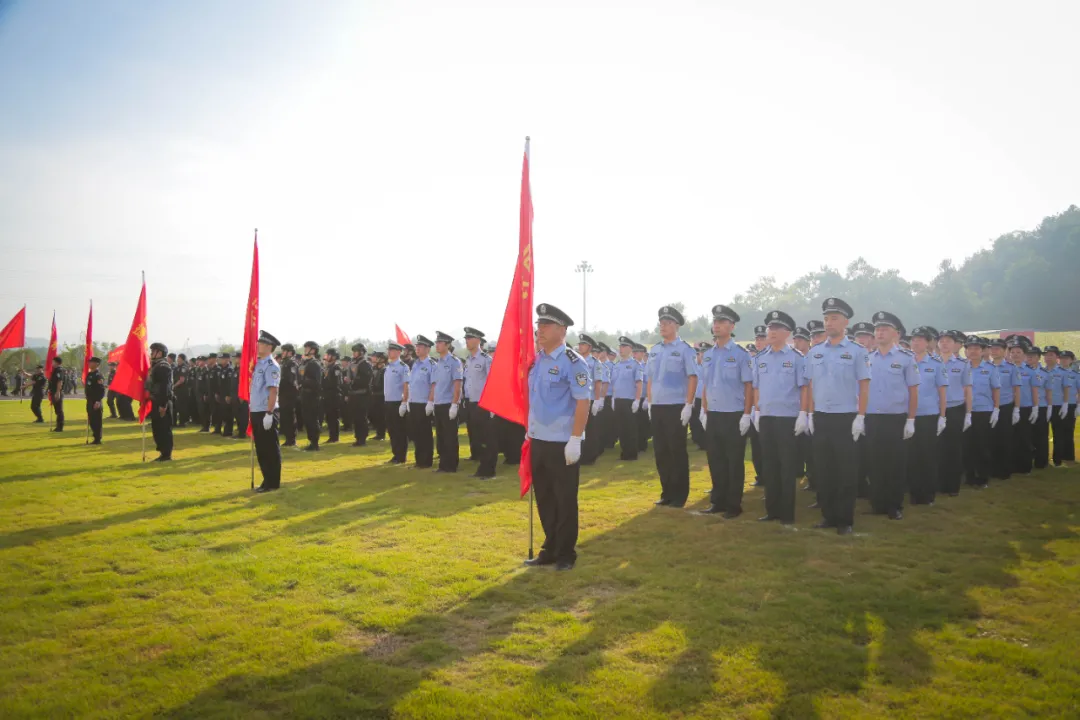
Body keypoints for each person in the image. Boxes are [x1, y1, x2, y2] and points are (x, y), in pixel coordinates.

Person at [523, 303, 591, 572]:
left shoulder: (573, 362)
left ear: (562, 330)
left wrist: (576, 439)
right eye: (539, 325)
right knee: (545, 498)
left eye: (546, 325)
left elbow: (583, 402)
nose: (539, 330)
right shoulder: (537, 360)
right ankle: (549, 548)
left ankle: (565, 553)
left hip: (562, 442)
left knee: (564, 499)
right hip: (538, 439)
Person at [804, 298, 869, 535]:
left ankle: (845, 519)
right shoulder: (815, 352)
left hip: (846, 418)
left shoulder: (857, 352)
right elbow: (810, 385)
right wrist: (809, 413)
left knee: (846, 471)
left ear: (845, 322)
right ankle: (828, 516)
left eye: (833, 318)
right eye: (826, 318)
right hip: (821, 416)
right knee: (824, 469)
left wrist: (861, 416)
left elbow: (864, 386)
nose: (828, 322)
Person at [751, 310, 809, 525]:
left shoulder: (796, 358)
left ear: (787, 333)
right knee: (769, 465)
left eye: (777, 329)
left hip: (787, 418)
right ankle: (772, 509)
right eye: (770, 328)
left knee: (787, 466)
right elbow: (756, 387)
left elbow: (804, 388)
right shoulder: (760, 358)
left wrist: (803, 413)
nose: (771, 332)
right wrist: (757, 411)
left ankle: (786, 512)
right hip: (766, 417)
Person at [698, 305, 753, 518]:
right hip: (714, 414)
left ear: (731, 326)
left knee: (733, 461)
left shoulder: (740, 354)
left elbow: (748, 385)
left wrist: (747, 414)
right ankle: (717, 501)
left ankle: (733, 504)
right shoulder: (708, 355)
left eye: (721, 322)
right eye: (715, 322)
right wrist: (704, 409)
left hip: (734, 414)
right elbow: (706, 384)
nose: (717, 326)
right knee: (716, 459)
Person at [865, 311, 919, 520]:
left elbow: (913, 390)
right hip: (873, 417)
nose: (880, 333)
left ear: (896, 333)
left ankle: (894, 505)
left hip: (896, 418)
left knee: (895, 463)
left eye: (884, 329)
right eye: (877, 329)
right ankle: (877, 503)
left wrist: (911, 420)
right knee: (875, 462)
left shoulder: (906, 358)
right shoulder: (868, 358)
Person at [646, 306, 699, 508]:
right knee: (661, 451)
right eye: (661, 323)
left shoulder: (684, 349)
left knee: (676, 450)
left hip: (676, 406)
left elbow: (692, 377)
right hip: (658, 406)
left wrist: (688, 404)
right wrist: (650, 402)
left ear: (676, 325)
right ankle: (666, 492)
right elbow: (650, 378)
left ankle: (679, 494)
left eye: (667, 323)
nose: (663, 326)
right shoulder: (655, 350)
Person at [907, 327, 948, 505]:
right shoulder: (904, 360)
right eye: (914, 339)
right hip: (907, 415)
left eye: (920, 340)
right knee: (911, 455)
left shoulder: (936, 363)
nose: (916, 343)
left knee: (928, 456)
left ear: (928, 342)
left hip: (928, 415)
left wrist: (943, 416)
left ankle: (928, 494)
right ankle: (914, 493)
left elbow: (942, 391)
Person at [936, 330, 973, 496]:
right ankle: (938, 482)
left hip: (955, 409)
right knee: (937, 448)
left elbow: (967, 390)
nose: (944, 343)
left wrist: (968, 413)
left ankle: (952, 486)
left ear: (955, 344)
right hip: (934, 410)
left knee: (953, 448)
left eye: (948, 341)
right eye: (942, 341)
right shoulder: (931, 362)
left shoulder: (963, 364)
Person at [964, 336, 1000, 488]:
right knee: (967, 445)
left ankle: (983, 476)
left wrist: (996, 408)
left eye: (976, 348)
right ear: (965, 351)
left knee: (982, 445)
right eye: (970, 348)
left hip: (983, 411)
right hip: (964, 411)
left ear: (983, 351)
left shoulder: (990, 369)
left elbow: (996, 389)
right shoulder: (961, 367)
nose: (973, 351)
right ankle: (969, 476)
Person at [463, 327, 498, 478]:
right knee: (477, 437)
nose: (467, 341)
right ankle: (482, 467)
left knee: (487, 438)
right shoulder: (469, 361)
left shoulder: (486, 360)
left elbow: (492, 382)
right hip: (472, 403)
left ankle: (488, 469)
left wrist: (492, 405)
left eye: (470, 338)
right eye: (466, 338)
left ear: (477, 340)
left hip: (484, 404)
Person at [250, 331, 282, 493]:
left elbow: (273, 391)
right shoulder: (259, 363)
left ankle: (273, 482)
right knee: (261, 448)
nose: (257, 345)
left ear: (269, 347)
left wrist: (269, 414)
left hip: (266, 411)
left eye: (261, 343)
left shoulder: (271, 365)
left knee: (269, 448)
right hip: (256, 410)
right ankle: (266, 480)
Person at [988, 339, 1023, 479]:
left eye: (997, 349)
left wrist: (1016, 409)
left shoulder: (1011, 368)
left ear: (1004, 351)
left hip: (1005, 406)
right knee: (991, 439)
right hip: (989, 407)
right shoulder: (986, 366)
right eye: (992, 349)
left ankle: (1004, 470)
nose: (994, 351)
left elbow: (1017, 390)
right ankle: (991, 468)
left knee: (1005, 439)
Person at [430, 331, 463, 473]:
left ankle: (451, 465)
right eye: (436, 342)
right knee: (441, 436)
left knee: (450, 436)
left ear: (447, 345)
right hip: (438, 403)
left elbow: (457, 384)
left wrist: (455, 404)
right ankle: (443, 464)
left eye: (440, 342)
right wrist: (431, 402)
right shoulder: (437, 363)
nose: (437, 345)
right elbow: (435, 385)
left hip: (448, 404)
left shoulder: (454, 362)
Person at [404, 335, 437, 468]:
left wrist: (430, 402)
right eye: (416, 346)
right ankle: (419, 460)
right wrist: (407, 400)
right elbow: (412, 383)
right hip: (413, 402)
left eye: (420, 347)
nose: (417, 349)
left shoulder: (431, 364)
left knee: (425, 433)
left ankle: (426, 461)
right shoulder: (415, 364)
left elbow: (433, 385)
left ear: (428, 349)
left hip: (424, 403)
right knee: (416, 433)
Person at [609, 337, 644, 461]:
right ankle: (624, 453)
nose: (621, 349)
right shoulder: (617, 365)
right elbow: (614, 383)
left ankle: (632, 454)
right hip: (618, 400)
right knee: (621, 428)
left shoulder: (635, 365)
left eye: (624, 347)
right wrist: (613, 398)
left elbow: (639, 383)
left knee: (630, 428)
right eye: (620, 347)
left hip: (629, 400)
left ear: (630, 349)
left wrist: (637, 400)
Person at [1012, 339, 1042, 475]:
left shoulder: (1030, 371)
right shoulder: (1006, 369)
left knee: (1024, 437)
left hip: (1025, 407)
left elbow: (1035, 391)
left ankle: (1025, 466)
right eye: (1012, 352)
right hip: (1009, 407)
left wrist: (1036, 407)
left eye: (1018, 352)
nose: (1015, 355)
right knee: (1012, 437)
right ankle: (1013, 464)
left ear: (1024, 354)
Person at [576, 334, 606, 465]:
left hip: (590, 399)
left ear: (589, 347)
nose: (580, 346)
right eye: (580, 344)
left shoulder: (595, 362)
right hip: (577, 399)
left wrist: (598, 400)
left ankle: (590, 456)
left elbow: (598, 382)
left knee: (590, 428)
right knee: (578, 427)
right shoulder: (576, 360)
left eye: (583, 344)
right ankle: (580, 453)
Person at [1043, 346, 1075, 468]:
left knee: (1058, 434)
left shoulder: (1063, 372)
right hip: (1043, 406)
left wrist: (1066, 404)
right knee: (1042, 434)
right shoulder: (1040, 371)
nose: (1048, 357)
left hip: (1058, 406)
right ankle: (1042, 459)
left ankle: (1058, 460)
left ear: (1057, 357)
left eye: (1051, 355)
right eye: (1046, 355)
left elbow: (1066, 389)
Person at [384, 343, 411, 464]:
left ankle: (401, 456)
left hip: (398, 402)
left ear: (399, 352)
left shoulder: (403, 367)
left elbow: (406, 385)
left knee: (400, 430)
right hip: (388, 402)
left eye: (392, 350)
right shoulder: (388, 367)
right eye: (389, 350)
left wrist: (404, 402)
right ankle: (395, 454)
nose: (389, 352)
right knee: (391, 430)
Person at [148, 342, 174, 461]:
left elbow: (165, 387)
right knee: (157, 428)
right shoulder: (155, 365)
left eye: (154, 351)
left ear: (160, 353)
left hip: (162, 401)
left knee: (163, 429)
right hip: (156, 400)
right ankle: (162, 452)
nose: (152, 353)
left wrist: (163, 405)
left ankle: (166, 454)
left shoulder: (163, 366)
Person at [348, 343, 374, 446]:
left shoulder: (365, 364)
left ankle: (362, 438)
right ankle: (358, 437)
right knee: (356, 417)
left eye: (356, 351)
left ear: (361, 352)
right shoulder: (354, 363)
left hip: (362, 395)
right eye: (353, 351)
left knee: (361, 417)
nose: (354, 353)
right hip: (354, 394)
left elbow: (366, 380)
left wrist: (353, 381)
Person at [299, 341, 323, 451]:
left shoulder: (314, 364)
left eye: (307, 347)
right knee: (307, 419)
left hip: (312, 396)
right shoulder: (306, 363)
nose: (305, 349)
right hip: (305, 394)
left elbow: (317, 382)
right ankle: (311, 441)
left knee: (312, 419)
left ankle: (315, 443)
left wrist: (304, 381)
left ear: (313, 350)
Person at [278, 344, 300, 447]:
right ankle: (288, 438)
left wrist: (280, 383)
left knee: (290, 417)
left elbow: (291, 380)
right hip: (282, 393)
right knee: (284, 417)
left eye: (284, 351)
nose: (282, 353)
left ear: (290, 352)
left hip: (289, 393)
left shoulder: (292, 364)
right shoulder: (284, 363)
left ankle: (291, 439)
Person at [689, 342, 709, 451]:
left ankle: (707, 442)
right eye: (701, 352)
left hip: (707, 398)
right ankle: (700, 442)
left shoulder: (710, 365)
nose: (702, 354)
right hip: (696, 397)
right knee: (696, 421)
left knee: (706, 420)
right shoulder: (695, 366)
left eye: (704, 352)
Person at [633, 342, 652, 452]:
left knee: (642, 423)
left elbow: (649, 384)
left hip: (644, 398)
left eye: (637, 352)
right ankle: (636, 443)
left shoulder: (647, 368)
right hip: (634, 398)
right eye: (634, 352)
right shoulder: (633, 365)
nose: (635, 354)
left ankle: (642, 444)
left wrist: (647, 398)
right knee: (634, 423)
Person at [84, 356, 106, 444]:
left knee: (96, 420)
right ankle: (95, 436)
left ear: (96, 364)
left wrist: (98, 401)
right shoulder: (89, 374)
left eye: (91, 362)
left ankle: (97, 438)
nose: (89, 363)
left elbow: (101, 390)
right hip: (89, 400)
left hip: (96, 401)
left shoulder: (98, 375)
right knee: (91, 420)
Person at [1061, 350, 1077, 464]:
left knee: (1068, 431)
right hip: (1056, 404)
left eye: (1066, 358)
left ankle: (1069, 456)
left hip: (1071, 404)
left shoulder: (1075, 375)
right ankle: (1058, 455)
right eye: (1062, 358)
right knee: (1057, 431)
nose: (1064, 360)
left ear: (1071, 360)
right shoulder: (1053, 372)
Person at [369, 351, 387, 441]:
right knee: (375, 415)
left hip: (381, 395)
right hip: (374, 395)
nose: (373, 358)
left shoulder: (385, 370)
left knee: (381, 416)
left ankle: (381, 434)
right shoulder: (374, 369)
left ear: (382, 359)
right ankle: (378, 433)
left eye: (376, 357)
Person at [220, 353, 237, 437]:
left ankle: (228, 431)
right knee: (223, 413)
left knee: (228, 414)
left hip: (227, 395)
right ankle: (226, 430)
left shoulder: (230, 370)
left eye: (222, 359)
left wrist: (228, 395)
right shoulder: (222, 369)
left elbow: (229, 384)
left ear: (227, 359)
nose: (220, 360)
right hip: (222, 395)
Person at [48, 356, 65, 431]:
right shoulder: (55, 370)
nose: (52, 363)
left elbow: (59, 381)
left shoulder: (59, 370)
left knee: (59, 410)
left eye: (53, 361)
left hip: (57, 392)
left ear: (56, 362)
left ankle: (60, 427)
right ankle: (58, 426)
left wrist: (58, 392)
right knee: (57, 410)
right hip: (54, 391)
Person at [173, 354, 189, 427]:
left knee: (182, 406)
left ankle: (183, 422)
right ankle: (174, 422)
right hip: (176, 390)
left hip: (182, 390)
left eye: (179, 358)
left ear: (182, 359)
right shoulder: (177, 367)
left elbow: (181, 380)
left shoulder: (184, 367)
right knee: (176, 406)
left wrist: (173, 386)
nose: (177, 359)